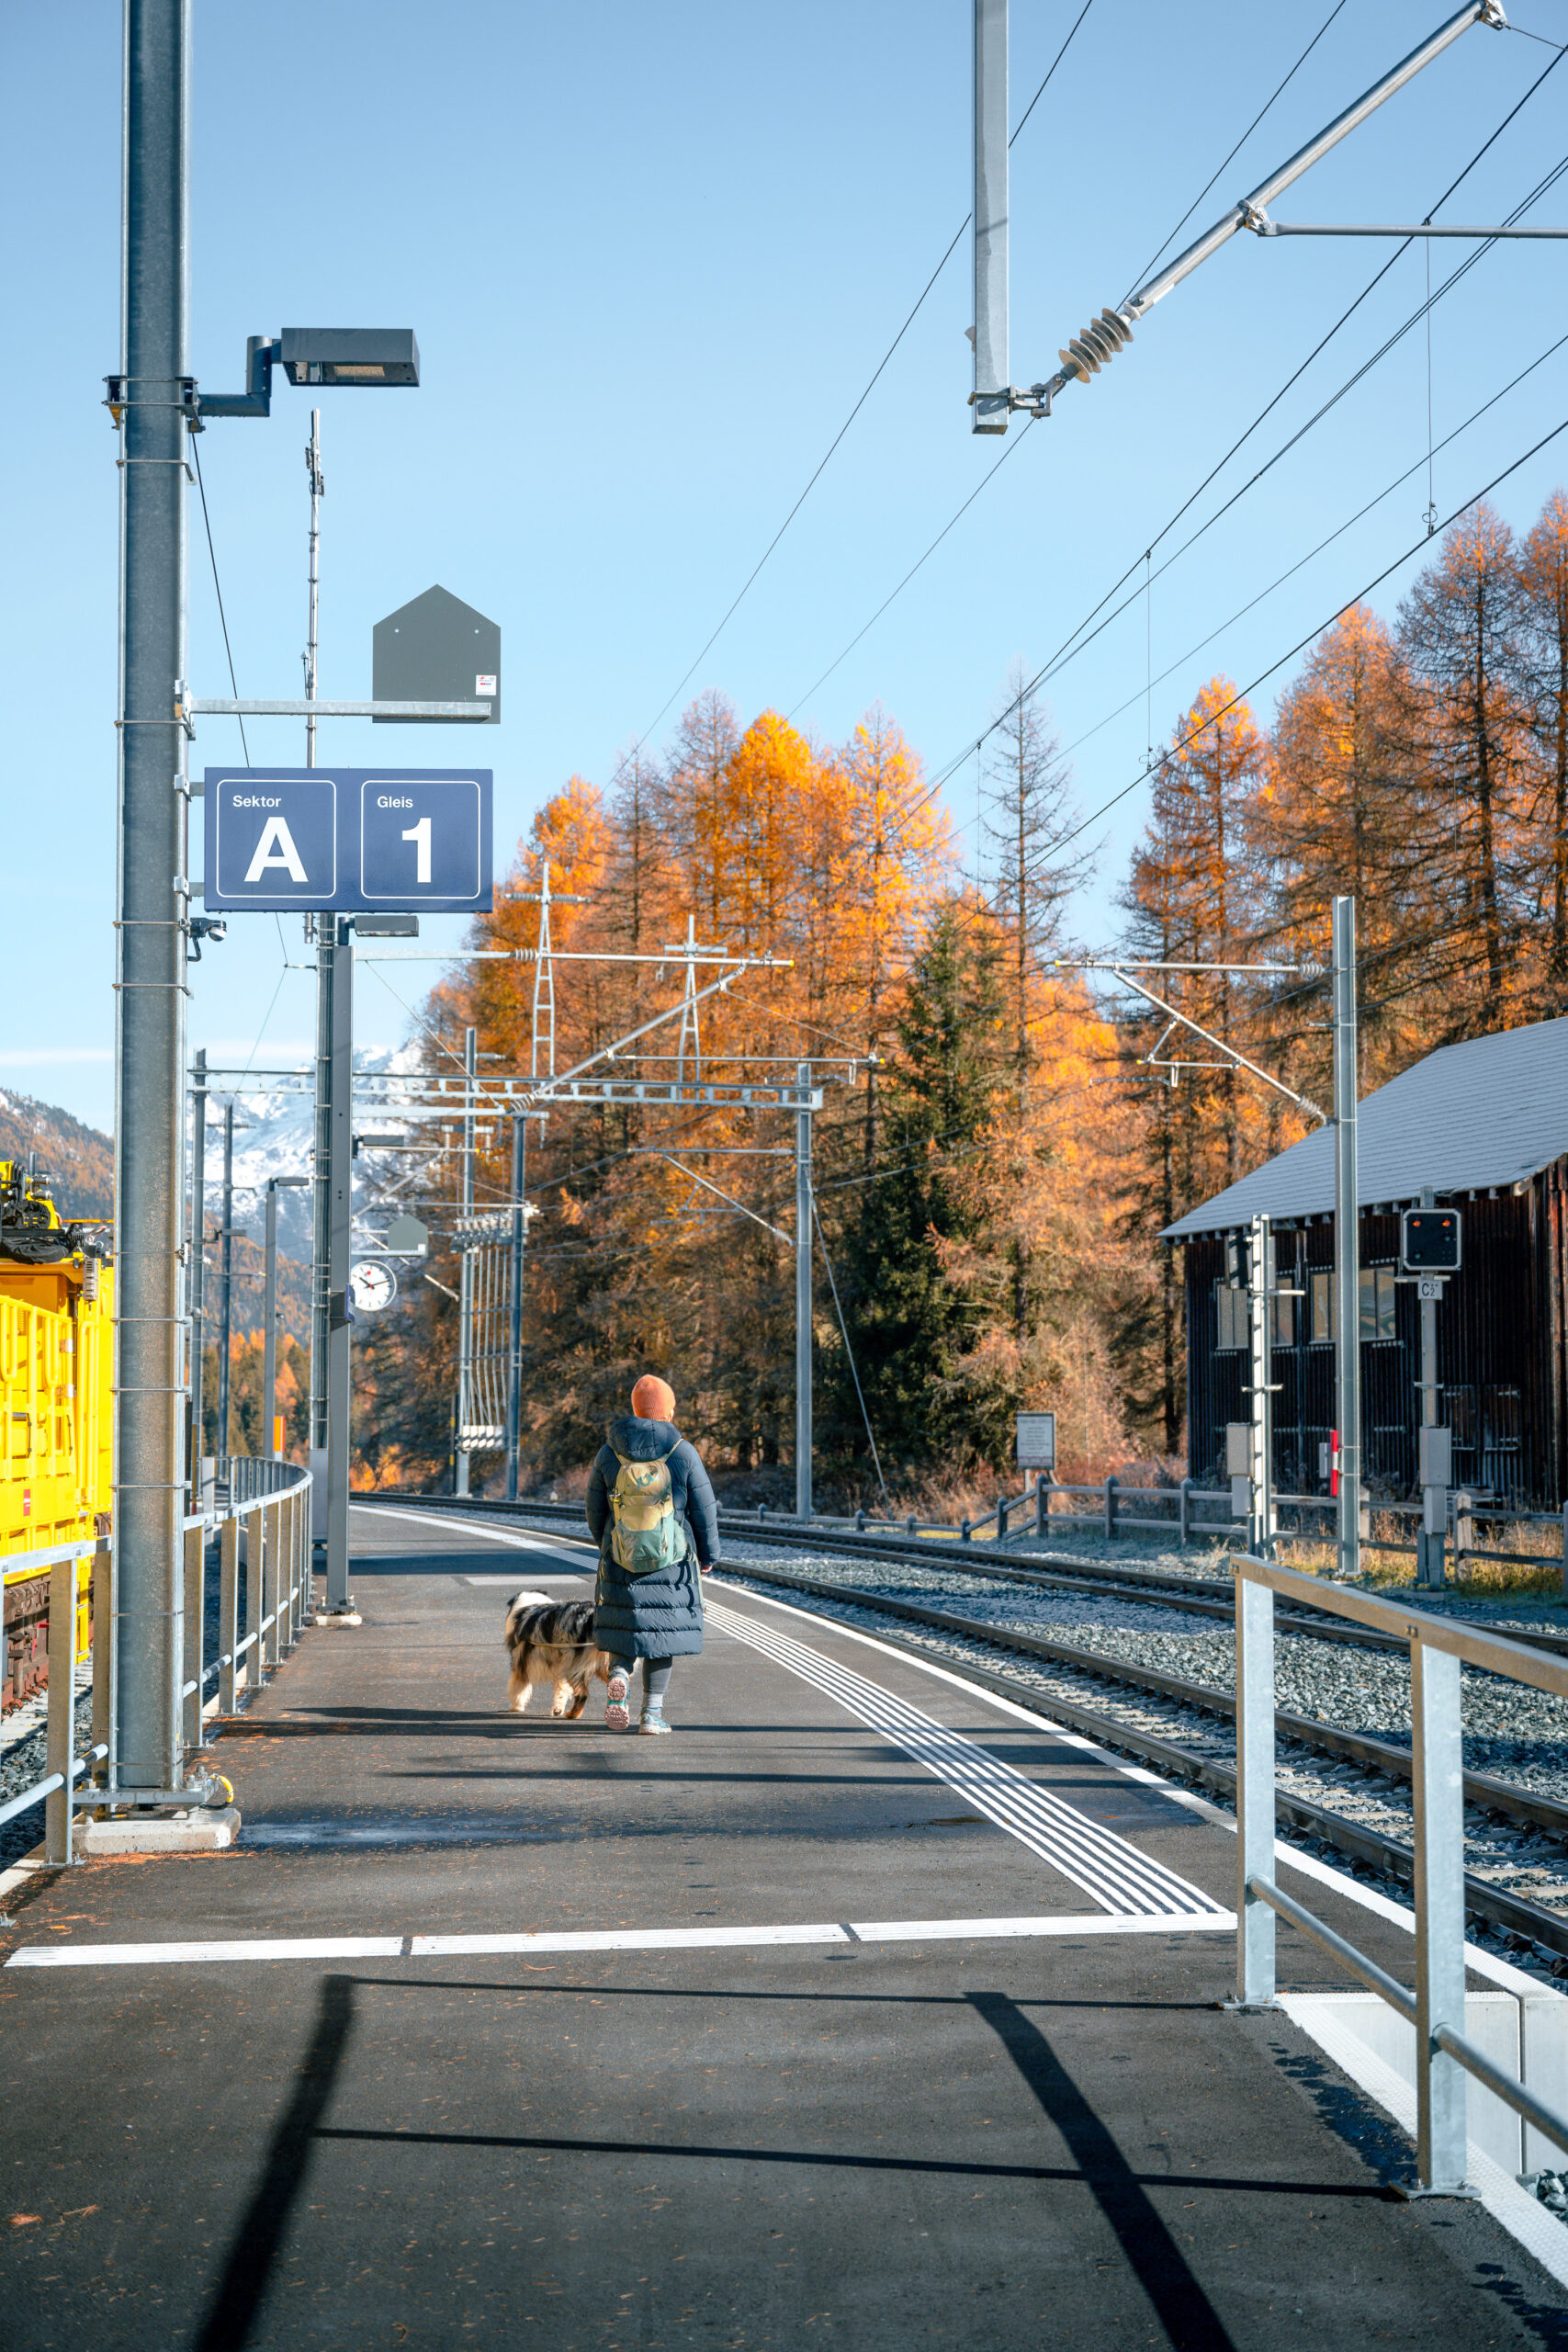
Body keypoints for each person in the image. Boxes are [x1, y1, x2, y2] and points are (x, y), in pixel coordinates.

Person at [585, 1374, 718, 1735]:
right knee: (662, 1636)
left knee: (625, 1627)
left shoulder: (609, 1452)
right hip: (670, 1561)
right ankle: (651, 1715)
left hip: (620, 1556)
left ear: (635, 1410)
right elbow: (704, 1511)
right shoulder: (682, 1452)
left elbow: (594, 1509)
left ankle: (618, 1676)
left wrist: (608, 1543)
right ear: (668, 1412)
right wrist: (709, 1556)